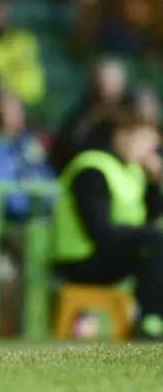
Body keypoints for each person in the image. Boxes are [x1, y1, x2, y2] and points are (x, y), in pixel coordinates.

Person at [53, 111, 163, 339]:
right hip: (81, 260)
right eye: (144, 144)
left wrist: (155, 183)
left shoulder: (133, 172)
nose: (148, 153)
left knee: (156, 243)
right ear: (120, 136)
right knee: (156, 243)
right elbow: (99, 230)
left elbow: (149, 219)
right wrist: (147, 236)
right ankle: (150, 319)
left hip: (112, 254)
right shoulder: (91, 169)